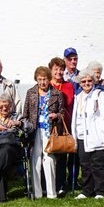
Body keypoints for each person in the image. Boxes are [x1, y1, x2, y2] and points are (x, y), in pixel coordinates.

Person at [71, 69, 104, 199]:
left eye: (89, 81)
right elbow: (75, 119)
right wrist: (75, 138)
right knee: (85, 165)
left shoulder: (100, 95)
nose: (86, 83)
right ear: (79, 83)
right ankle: (87, 190)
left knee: (98, 165)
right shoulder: (78, 97)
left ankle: (100, 191)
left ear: (93, 81)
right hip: (81, 137)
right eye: (83, 81)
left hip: (98, 136)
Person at [22, 66, 64, 199]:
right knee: (35, 160)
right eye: (39, 79)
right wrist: (26, 128)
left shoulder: (57, 94)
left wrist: (56, 115)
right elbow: (25, 114)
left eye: (45, 79)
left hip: (50, 131)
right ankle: (37, 193)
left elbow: (62, 113)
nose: (42, 82)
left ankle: (52, 193)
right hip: (35, 131)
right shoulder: (31, 92)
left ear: (49, 79)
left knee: (49, 159)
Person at [50, 56, 76, 196]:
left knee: (61, 156)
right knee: (48, 156)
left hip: (64, 125)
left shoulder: (69, 86)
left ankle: (60, 185)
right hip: (48, 126)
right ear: (51, 70)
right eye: (56, 69)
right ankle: (47, 185)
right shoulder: (47, 85)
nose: (59, 72)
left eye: (61, 69)